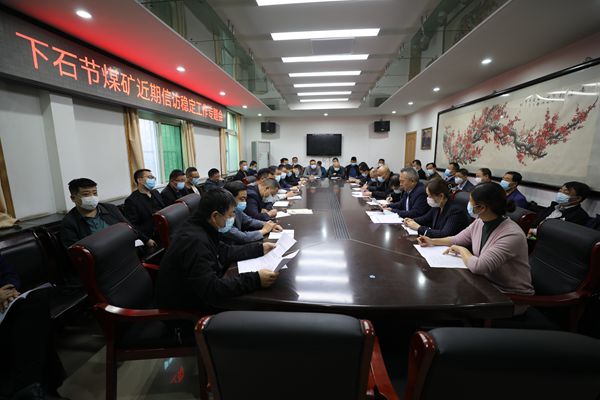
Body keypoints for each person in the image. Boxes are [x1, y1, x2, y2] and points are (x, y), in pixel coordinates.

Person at [155, 189, 279, 317]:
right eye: (230, 215)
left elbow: (224, 251)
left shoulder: (202, 226)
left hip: (198, 293)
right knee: (261, 311)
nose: (232, 218)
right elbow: (211, 288)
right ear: (215, 216)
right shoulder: (195, 241)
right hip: (186, 310)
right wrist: (256, 279)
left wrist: (259, 248)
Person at [417, 182, 534, 295]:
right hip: (484, 283)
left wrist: (461, 249)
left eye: (470, 202)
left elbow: (479, 267)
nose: (468, 205)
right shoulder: (480, 222)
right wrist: (432, 241)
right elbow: (456, 239)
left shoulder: (511, 235)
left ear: (481, 208)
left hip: (508, 294)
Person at [0, 255, 66, 399]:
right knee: (28, 323)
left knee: (36, 302)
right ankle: (32, 389)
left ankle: (37, 388)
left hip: (4, 304)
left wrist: (10, 289)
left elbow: (8, 273)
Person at [61, 178, 148, 248]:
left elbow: (130, 228)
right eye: (86, 194)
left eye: (95, 193)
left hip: (126, 249)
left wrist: (145, 240)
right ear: (73, 198)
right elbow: (76, 252)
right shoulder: (69, 222)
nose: (92, 197)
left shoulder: (110, 208)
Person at [404, 179, 470, 238]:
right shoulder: (438, 205)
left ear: (441, 196)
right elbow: (425, 218)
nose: (428, 198)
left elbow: (444, 234)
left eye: (430, 196)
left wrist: (419, 228)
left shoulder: (455, 210)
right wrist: (411, 220)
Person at [124, 169, 164, 246]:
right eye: (149, 177)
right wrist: (146, 240)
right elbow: (132, 225)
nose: (153, 179)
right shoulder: (131, 200)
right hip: (150, 236)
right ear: (139, 180)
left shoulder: (155, 193)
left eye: (153, 177)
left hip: (163, 228)